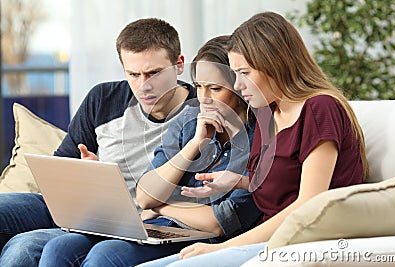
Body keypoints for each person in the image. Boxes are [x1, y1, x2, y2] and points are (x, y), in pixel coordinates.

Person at [137, 11, 368, 267]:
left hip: (301, 242)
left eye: (244, 73)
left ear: (274, 65)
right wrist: (241, 182)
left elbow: (308, 205)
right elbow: (286, 185)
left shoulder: (319, 108)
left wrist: (224, 248)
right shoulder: (270, 116)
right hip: (270, 238)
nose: (238, 85)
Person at [37, 35, 262, 266]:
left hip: (205, 238)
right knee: (59, 248)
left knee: (106, 255)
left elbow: (219, 221)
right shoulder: (189, 119)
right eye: (199, 87)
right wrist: (194, 144)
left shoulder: (260, 140)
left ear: (239, 88)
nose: (203, 98)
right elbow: (145, 195)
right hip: (160, 228)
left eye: (215, 88)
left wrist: (162, 207)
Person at [0, 18, 197, 266]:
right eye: (133, 74)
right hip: (84, 210)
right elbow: (59, 168)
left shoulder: (199, 114)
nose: (143, 85)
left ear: (179, 64)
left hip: (141, 224)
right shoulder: (103, 98)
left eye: (154, 73)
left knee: (24, 249)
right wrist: (89, 173)